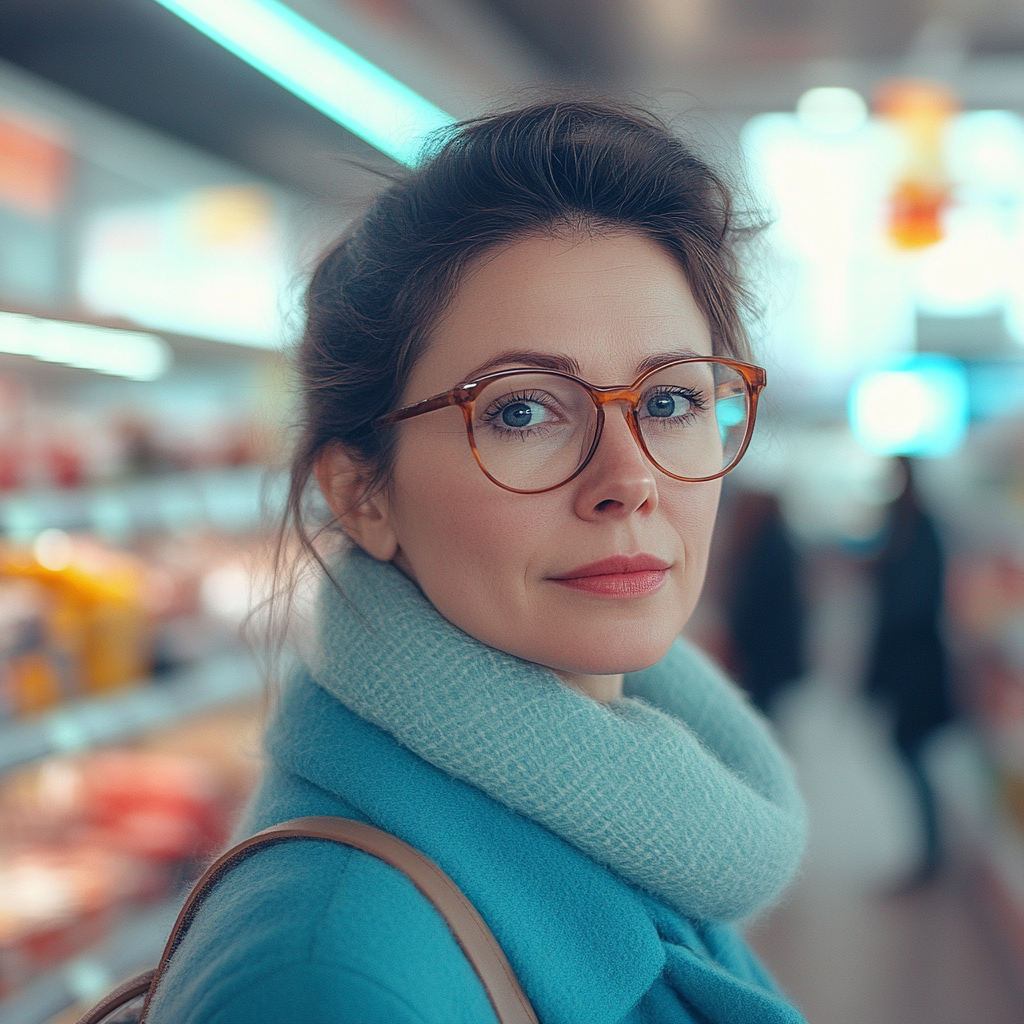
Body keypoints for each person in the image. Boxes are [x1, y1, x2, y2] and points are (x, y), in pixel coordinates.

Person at [147, 101, 807, 1024]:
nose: (630, 481)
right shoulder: (326, 980)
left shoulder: (644, 831)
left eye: (669, 402)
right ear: (361, 494)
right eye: (522, 410)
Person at [866, 456, 953, 885]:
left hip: (915, 663)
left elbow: (912, 603)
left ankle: (932, 851)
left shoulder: (918, 528)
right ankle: (930, 848)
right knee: (910, 753)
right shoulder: (904, 524)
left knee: (911, 752)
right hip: (906, 662)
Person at [723, 490, 805, 716]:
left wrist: (738, 640)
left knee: (760, 705)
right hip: (776, 648)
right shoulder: (782, 542)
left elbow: (754, 603)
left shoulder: (765, 546)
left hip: (766, 649)